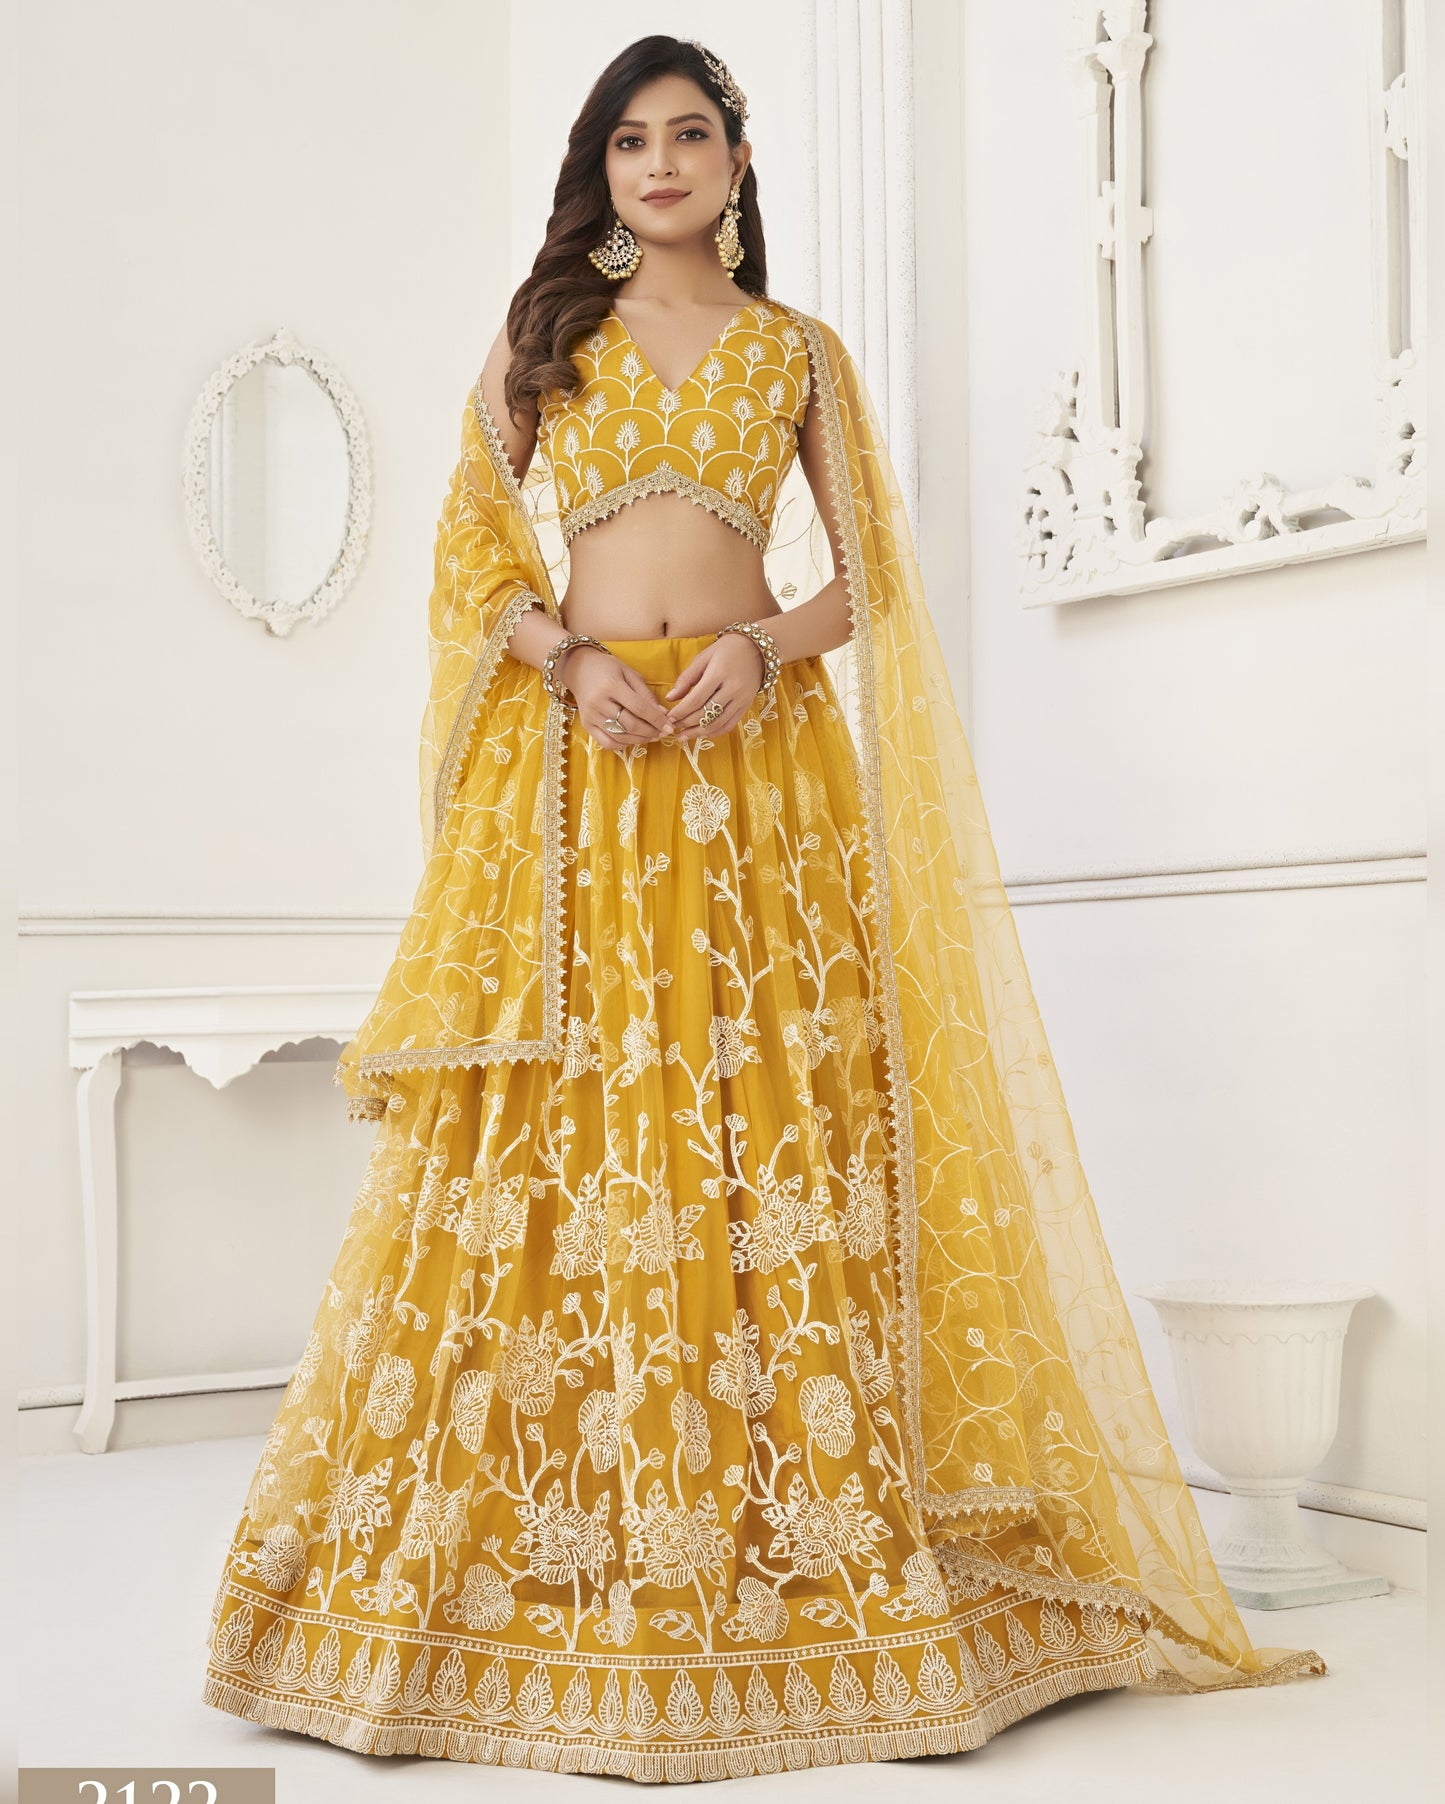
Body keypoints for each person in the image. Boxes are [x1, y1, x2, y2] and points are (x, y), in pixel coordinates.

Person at [201, 34, 1326, 1782]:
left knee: (770, 1127)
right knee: (564, 1140)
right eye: (631, 140)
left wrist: (750, 647)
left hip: (756, 784)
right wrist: (565, 658)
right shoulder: (542, 342)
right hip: (575, 789)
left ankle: (810, 1550)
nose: (660, 164)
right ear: (602, 165)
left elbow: (867, 572)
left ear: (736, 165)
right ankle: (512, 1566)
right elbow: (464, 562)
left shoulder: (797, 354)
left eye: (691, 136)